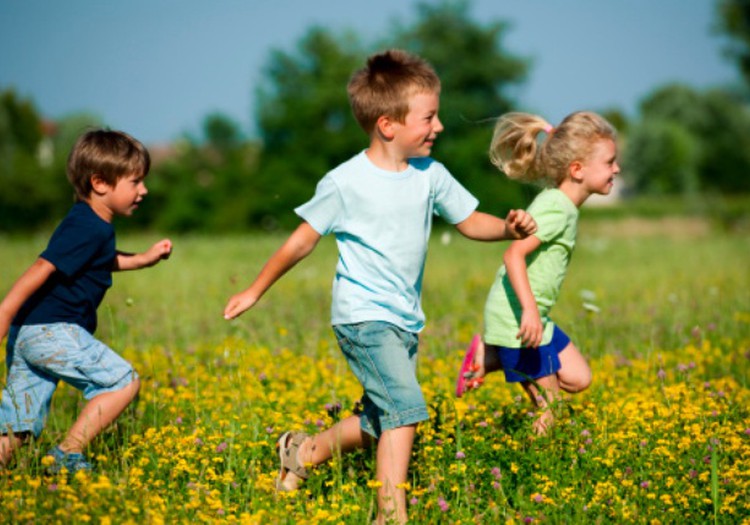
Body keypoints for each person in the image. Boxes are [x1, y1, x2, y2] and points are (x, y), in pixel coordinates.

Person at [223, 49, 536, 524]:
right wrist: (255, 289)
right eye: (429, 117)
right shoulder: (346, 182)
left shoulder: (430, 175)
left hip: (405, 320)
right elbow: (301, 243)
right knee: (407, 412)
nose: (439, 127)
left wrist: (509, 229)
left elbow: (471, 221)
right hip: (363, 318)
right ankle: (390, 516)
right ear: (388, 124)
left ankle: (302, 453)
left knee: (380, 422)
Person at [0, 129, 172, 473]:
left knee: (18, 425)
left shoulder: (90, 226)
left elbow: (97, 259)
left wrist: (143, 259)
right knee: (123, 381)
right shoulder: (89, 226)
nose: (144, 190)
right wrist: (3, 312)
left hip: (30, 333)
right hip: (51, 330)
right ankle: (67, 455)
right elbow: (42, 267)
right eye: (136, 182)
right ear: (100, 183)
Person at [455, 111, 619, 435]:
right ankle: (532, 479)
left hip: (534, 316)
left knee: (578, 378)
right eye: (610, 162)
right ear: (577, 169)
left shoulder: (565, 207)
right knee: (551, 409)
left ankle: (488, 357)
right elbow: (513, 254)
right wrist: (529, 311)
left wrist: (534, 313)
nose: (617, 169)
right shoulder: (556, 207)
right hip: (520, 318)